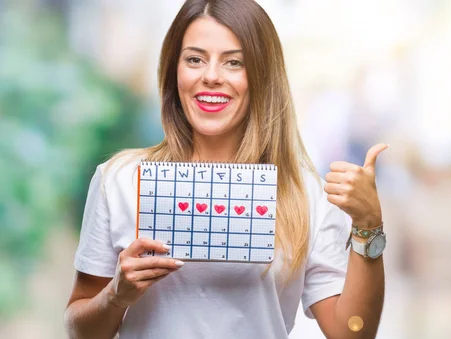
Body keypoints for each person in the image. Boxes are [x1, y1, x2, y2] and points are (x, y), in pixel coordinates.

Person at [64, 1, 387, 338]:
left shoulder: (305, 194)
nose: (212, 76)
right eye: (194, 59)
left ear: (262, 75)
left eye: (234, 62)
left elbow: (353, 333)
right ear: (174, 71)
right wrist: (117, 295)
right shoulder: (119, 180)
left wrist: (369, 227)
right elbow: (80, 331)